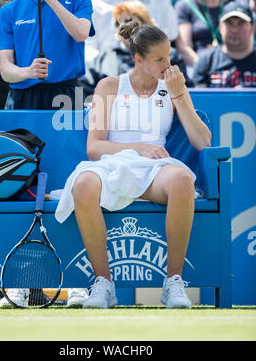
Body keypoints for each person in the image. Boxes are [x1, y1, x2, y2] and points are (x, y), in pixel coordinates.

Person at [55, 20, 211, 309]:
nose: (169, 64)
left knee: (181, 181)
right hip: (113, 164)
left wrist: (179, 95)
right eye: (160, 59)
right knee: (84, 184)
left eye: (169, 56)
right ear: (138, 59)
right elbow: (94, 147)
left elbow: (203, 141)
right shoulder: (108, 86)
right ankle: (104, 284)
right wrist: (138, 147)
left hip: (155, 172)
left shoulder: (173, 86)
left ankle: (173, 282)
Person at [81, 0, 193, 98]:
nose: (123, 26)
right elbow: (84, 92)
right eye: (117, 23)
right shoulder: (104, 58)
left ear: (146, 22)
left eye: (129, 21)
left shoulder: (169, 56)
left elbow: (184, 91)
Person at [192, 1, 256, 87]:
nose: (235, 30)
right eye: (229, 23)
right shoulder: (207, 61)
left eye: (241, 23)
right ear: (221, 27)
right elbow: (198, 98)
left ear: (252, 28)